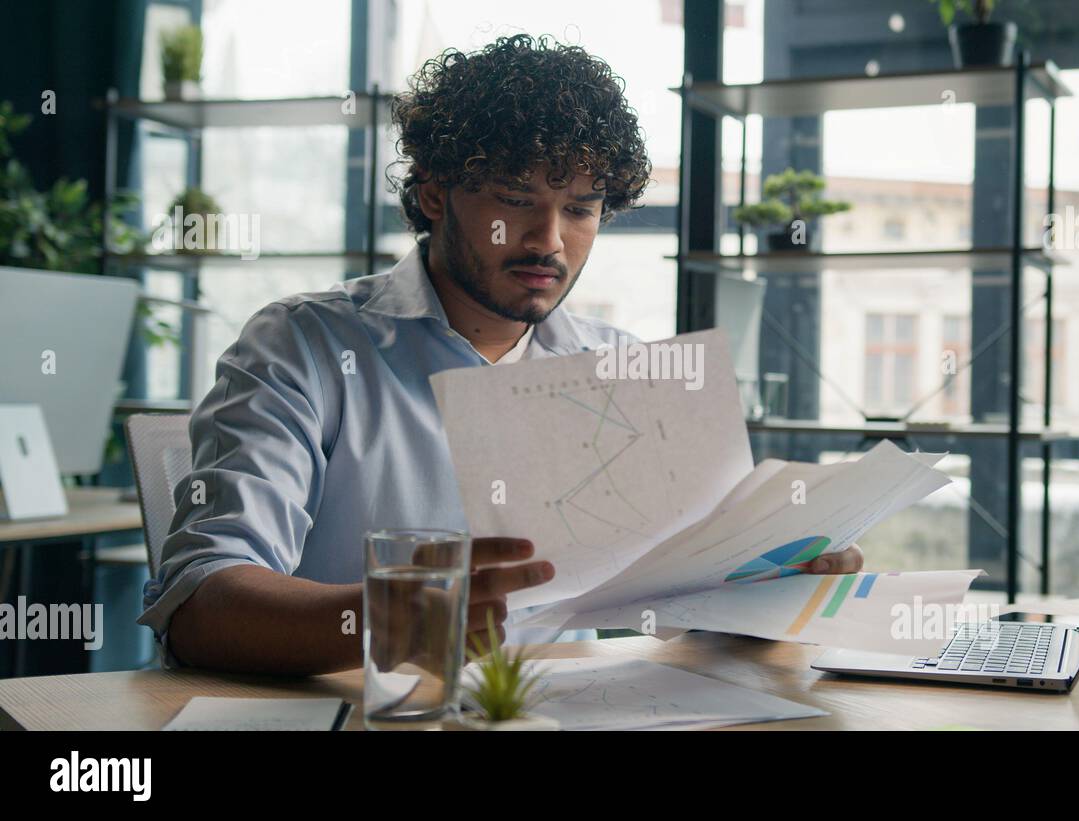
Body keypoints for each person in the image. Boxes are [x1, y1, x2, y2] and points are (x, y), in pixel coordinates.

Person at [139, 33, 862, 676]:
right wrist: (398, 615)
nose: (549, 239)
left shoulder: (623, 370)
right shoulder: (304, 346)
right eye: (516, 199)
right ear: (433, 194)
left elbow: (689, 601)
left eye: (580, 208)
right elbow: (202, 600)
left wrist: (778, 580)